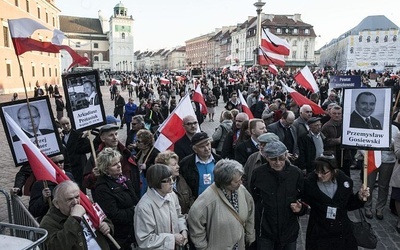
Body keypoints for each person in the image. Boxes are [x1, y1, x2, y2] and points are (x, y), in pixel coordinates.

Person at [303, 152, 370, 250]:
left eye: (324, 172)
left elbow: (349, 205)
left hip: (341, 232)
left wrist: (359, 197)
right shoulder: (309, 184)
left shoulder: (345, 182)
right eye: (317, 171)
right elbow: (304, 204)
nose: (319, 175)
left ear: (333, 170)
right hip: (319, 233)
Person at [249, 141, 307, 250]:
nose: (278, 162)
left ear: (286, 155)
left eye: (281, 158)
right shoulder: (258, 173)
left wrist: (300, 209)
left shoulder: (296, 173)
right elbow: (254, 196)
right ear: (266, 158)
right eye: (273, 159)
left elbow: (303, 197)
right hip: (266, 229)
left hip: (289, 229)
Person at [188, 159, 255, 249]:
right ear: (225, 182)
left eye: (241, 179)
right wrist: (202, 247)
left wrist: (250, 235)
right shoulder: (208, 198)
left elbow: (250, 211)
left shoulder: (241, 190)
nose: (240, 183)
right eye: (236, 181)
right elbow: (195, 220)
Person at [40, 180, 113, 249]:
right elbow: (57, 246)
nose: (75, 202)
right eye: (69, 199)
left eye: (77, 197)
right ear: (56, 203)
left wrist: (107, 225)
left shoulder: (86, 205)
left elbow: (103, 218)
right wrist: (74, 219)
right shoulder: (48, 222)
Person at [134, 164, 188, 249]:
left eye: (172, 179)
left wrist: (183, 230)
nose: (172, 182)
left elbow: (179, 216)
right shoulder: (144, 207)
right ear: (156, 182)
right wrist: (172, 238)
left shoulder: (172, 195)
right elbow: (145, 240)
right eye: (168, 180)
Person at [94, 148, 139, 250]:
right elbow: (113, 214)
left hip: (133, 230)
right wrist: (135, 210)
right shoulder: (102, 188)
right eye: (114, 164)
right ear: (106, 169)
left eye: (119, 162)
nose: (119, 165)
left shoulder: (123, 179)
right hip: (120, 237)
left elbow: (135, 199)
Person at [83, 124, 141, 198]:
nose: (115, 138)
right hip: (110, 198)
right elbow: (86, 182)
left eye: (116, 134)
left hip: (130, 195)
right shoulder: (96, 157)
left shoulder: (125, 152)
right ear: (102, 138)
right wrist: (93, 176)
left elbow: (134, 175)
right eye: (111, 135)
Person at [28, 154, 73, 222]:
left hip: (70, 220)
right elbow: (33, 211)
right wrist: (43, 199)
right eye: (55, 163)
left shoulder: (69, 176)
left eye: (61, 161)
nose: (59, 165)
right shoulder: (41, 184)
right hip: (52, 222)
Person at [180, 132, 221, 199]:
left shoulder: (219, 160)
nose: (207, 148)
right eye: (202, 147)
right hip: (196, 201)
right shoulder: (186, 164)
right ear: (195, 149)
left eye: (208, 144)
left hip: (216, 200)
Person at [155, 150, 195, 215]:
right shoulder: (159, 185)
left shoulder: (181, 179)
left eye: (177, 164)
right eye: (174, 165)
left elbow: (190, 198)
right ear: (165, 167)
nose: (178, 167)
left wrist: (189, 214)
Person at [59, 117, 91, 192]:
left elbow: (87, 148)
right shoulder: (60, 135)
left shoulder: (78, 134)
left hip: (79, 166)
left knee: (81, 188)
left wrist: (84, 138)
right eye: (63, 124)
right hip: (69, 167)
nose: (66, 126)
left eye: (67, 123)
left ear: (71, 123)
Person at [134, 129, 160, 196]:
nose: (136, 143)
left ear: (147, 143)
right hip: (138, 181)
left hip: (148, 182)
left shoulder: (155, 153)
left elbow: (158, 168)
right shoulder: (139, 151)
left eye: (139, 141)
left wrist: (147, 166)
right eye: (136, 141)